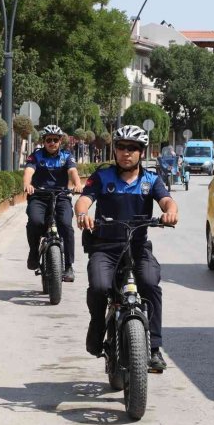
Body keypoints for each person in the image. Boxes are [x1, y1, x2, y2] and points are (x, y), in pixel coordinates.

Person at [75, 125, 178, 371]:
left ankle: (153, 348)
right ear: (115, 150)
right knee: (99, 286)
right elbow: (84, 199)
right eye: (121, 147)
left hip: (138, 248)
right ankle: (97, 325)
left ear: (141, 152)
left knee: (151, 284)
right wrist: (83, 214)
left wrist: (171, 212)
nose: (126, 153)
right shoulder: (102, 176)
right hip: (105, 247)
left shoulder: (151, 179)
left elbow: (166, 200)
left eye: (132, 148)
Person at [23, 125, 82, 282]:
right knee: (35, 221)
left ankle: (69, 266)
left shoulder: (66, 156)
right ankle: (34, 252)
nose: (52, 143)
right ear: (44, 141)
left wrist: (77, 184)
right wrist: (28, 184)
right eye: (49, 140)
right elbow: (29, 171)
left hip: (61, 196)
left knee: (66, 225)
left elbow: (72, 172)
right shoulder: (36, 156)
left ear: (60, 141)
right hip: (39, 196)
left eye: (55, 140)